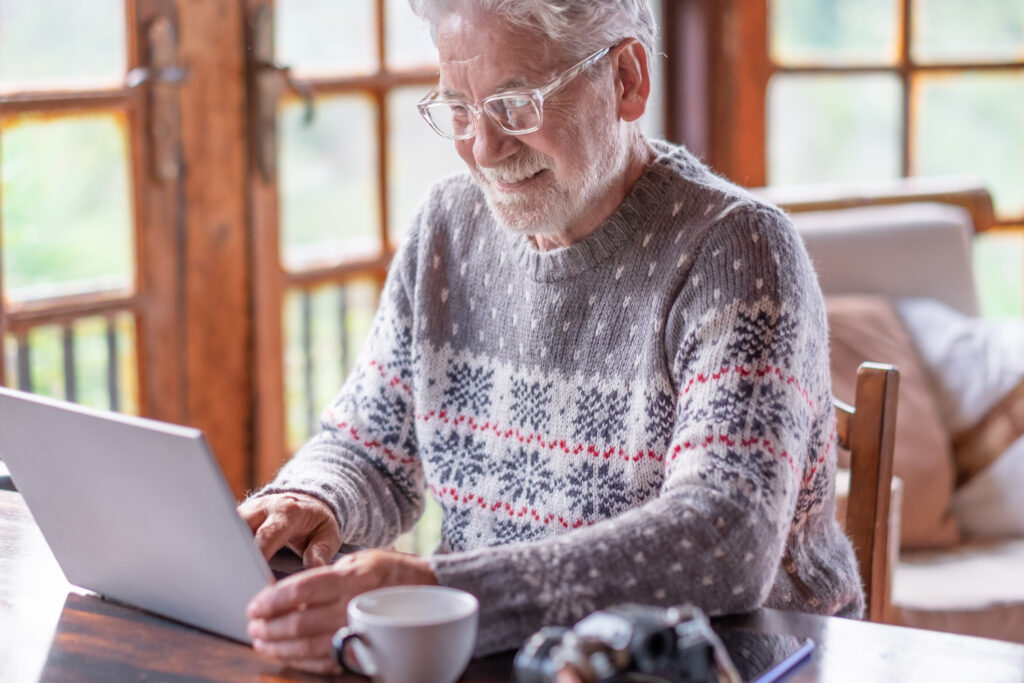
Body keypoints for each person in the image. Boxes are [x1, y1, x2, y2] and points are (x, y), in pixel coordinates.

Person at [241, 0, 863, 673]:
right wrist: (312, 493)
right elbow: (368, 447)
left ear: (626, 78)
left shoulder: (736, 248)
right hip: (518, 657)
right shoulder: (446, 228)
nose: (484, 147)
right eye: (458, 110)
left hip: (725, 658)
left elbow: (723, 535)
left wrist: (444, 592)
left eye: (516, 105)